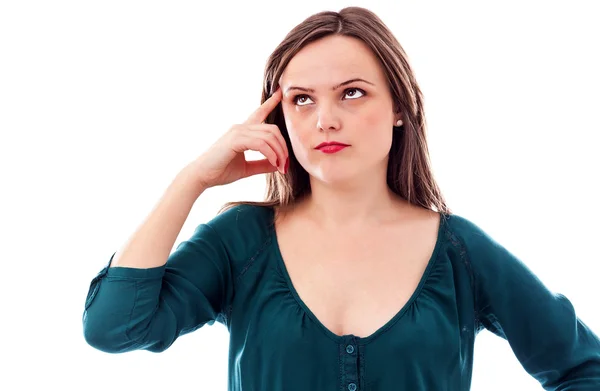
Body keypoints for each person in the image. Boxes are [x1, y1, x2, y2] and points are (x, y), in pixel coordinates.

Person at [82, 6, 600, 390]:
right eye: (301, 100)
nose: (325, 118)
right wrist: (192, 178)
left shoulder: (458, 249)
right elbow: (113, 328)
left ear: (400, 107)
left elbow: (584, 368)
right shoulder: (240, 243)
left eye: (352, 92)